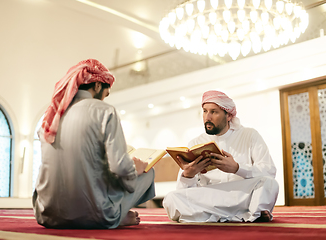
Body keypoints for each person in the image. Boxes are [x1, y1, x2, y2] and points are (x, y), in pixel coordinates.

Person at [33, 59, 155, 229]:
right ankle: (117, 216)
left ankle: (117, 214)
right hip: (94, 216)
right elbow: (120, 168)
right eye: (106, 93)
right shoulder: (104, 111)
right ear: (97, 85)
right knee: (148, 172)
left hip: (46, 214)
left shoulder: (51, 115)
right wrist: (136, 169)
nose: (104, 98)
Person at [163, 90, 279, 223]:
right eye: (205, 111)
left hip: (242, 194)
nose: (207, 117)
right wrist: (188, 175)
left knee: (270, 184)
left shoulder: (249, 135)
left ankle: (213, 216)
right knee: (171, 198)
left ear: (228, 115)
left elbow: (269, 171)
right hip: (211, 196)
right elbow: (183, 191)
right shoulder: (195, 143)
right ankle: (248, 214)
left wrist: (237, 168)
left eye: (214, 112)